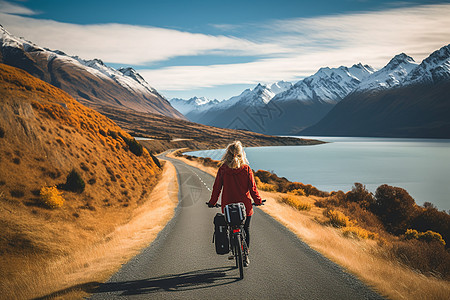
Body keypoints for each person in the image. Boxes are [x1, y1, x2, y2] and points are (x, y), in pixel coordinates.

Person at [207, 141, 263, 265]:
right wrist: (258, 201)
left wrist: (212, 202)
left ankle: (234, 246)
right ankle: (245, 255)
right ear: (241, 153)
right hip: (245, 207)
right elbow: (253, 189)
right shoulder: (246, 169)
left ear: (227, 153)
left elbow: (217, 189)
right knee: (246, 229)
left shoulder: (223, 169)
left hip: (227, 207)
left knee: (230, 227)